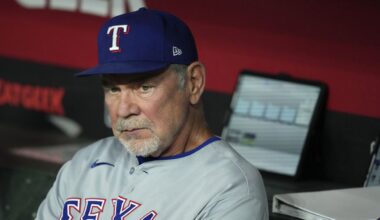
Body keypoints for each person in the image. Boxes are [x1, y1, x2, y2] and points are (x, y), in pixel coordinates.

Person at [36, 7, 268, 220]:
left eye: (144, 87)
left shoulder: (231, 187)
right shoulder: (84, 163)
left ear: (193, 83)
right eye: (113, 89)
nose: (124, 110)